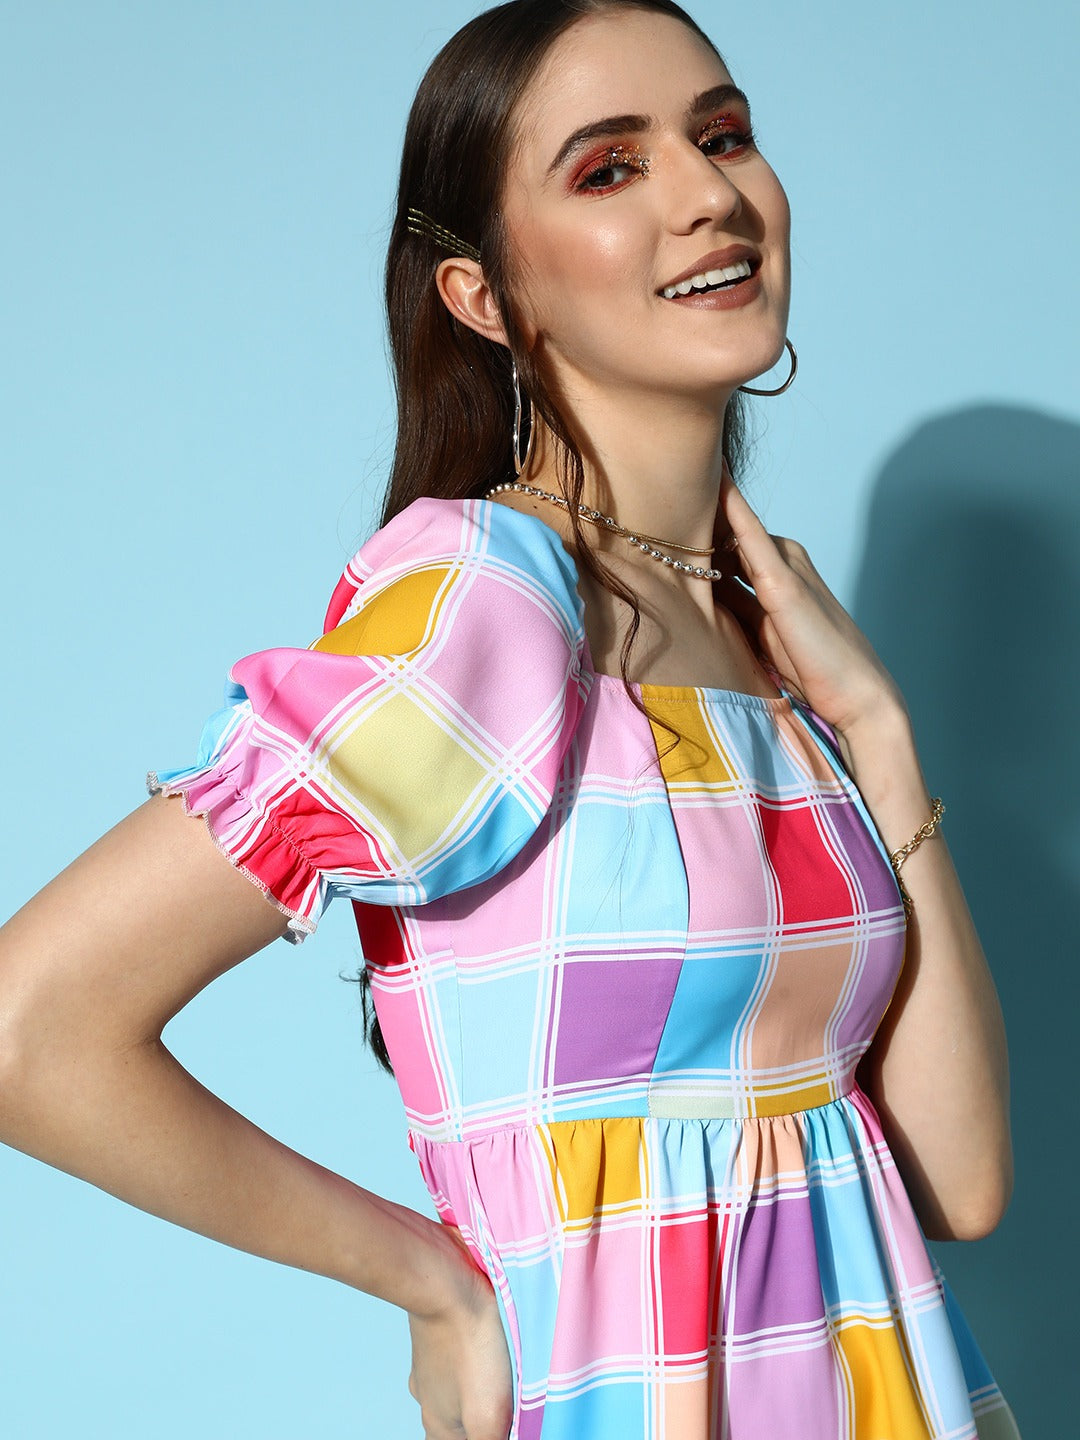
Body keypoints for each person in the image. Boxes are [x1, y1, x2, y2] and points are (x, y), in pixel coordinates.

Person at [0, 1, 1020, 1436]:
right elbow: (30, 1028)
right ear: (483, 296)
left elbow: (958, 1182)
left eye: (723, 136)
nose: (708, 194)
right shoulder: (489, 601)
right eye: (611, 168)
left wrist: (880, 730)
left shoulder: (773, 646)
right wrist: (429, 1284)